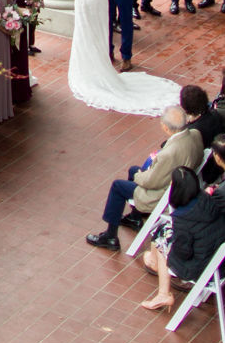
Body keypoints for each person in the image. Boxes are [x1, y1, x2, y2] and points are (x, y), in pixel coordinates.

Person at [86, 105, 204, 249]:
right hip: (179, 180)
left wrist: (138, 176)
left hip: (163, 193)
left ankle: (110, 237)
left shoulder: (169, 154)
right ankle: (134, 218)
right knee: (133, 170)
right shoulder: (195, 134)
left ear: (166, 128)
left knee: (118, 186)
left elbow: (151, 182)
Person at [140, 166, 225, 311]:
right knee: (163, 230)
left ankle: (163, 293)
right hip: (224, 259)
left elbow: (183, 252)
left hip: (206, 267)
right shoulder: (206, 198)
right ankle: (154, 262)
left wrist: (170, 251)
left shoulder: (183, 217)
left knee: (161, 242)